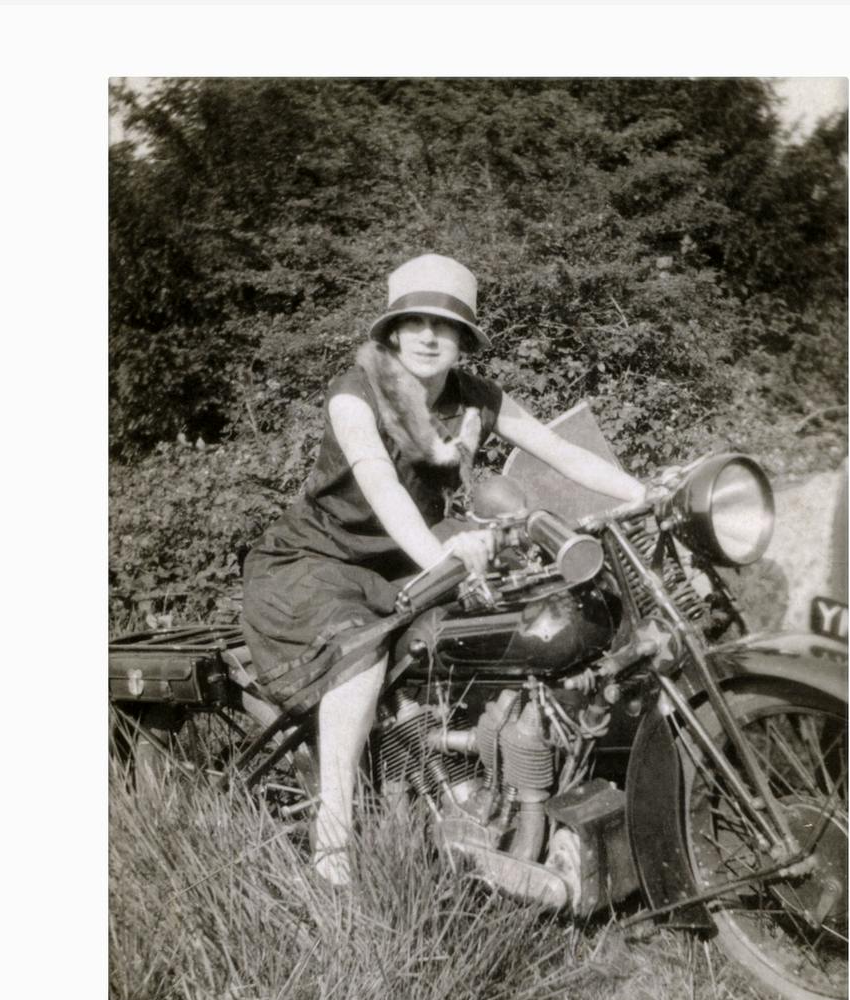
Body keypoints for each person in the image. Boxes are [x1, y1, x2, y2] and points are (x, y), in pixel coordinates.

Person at [242, 254, 645, 885]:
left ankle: (472, 777)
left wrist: (640, 491)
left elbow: (562, 451)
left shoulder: (476, 399)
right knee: (360, 658)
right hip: (319, 562)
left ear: (463, 338)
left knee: (511, 614)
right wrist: (442, 556)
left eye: (446, 325)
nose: (430, 336)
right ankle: (335, 841)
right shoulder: (356, 393)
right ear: (394, 331)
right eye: (416, 321)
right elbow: (381, 484)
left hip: (410, 555)